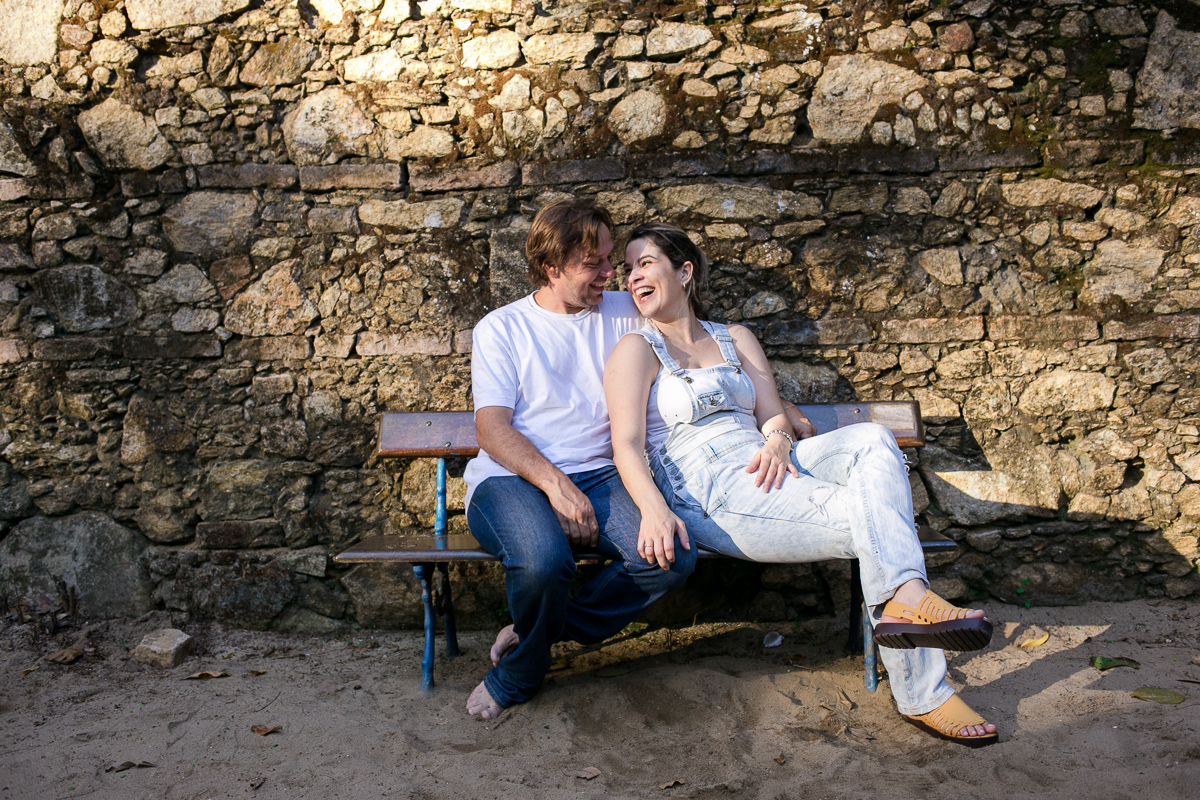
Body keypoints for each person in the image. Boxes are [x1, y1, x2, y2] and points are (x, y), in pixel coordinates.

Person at [604, 222, 998, 747]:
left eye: (645, 263)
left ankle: (905, 600)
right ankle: (922, 681)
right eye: (628, 268)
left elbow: (772, 415)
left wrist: (776, 440)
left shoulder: (735, 338)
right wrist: (654, 510)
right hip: (710, 489)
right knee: (875, 519)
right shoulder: (636, 349)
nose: (632, 276)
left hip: (768, 460)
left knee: (874, 438)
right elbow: (626, 445)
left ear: (685, 271)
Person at [463, 202, 697, 720]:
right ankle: (519, 675)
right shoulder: (502, 328)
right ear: (551, 267)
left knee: (670, 557)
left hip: (601, 475)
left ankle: (535, 632)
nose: (612, 273)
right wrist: (556, 486)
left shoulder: (626, 310)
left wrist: (775, 404)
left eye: (611, 259)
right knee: (544, 563)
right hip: (509, 480)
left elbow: (699, 342)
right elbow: (491, 428)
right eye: (594, 264)